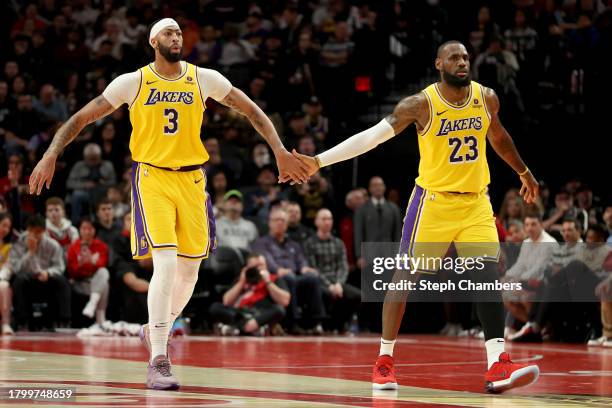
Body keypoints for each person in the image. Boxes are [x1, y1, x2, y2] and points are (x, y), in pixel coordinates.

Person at [28, 18, 308, 390]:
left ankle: (154, 328)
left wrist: (279, 151)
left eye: (178, 32)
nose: (175, 37)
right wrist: (50, 154)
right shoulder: (134, 82)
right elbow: (81, 118)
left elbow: (252, 110)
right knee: (165, 260)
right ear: (152, 41)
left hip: (193, 179)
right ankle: (159, 357)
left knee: (190, 271)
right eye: (168, 32)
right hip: (153, 178)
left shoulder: (202, 78)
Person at [292, 41, 540, 393]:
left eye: (466, 57)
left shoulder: (486, 97)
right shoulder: (421, 104)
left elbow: (497, 136)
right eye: (454, 57)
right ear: (439, 63)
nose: (462, 62)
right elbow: (372, 138)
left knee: (486, 276)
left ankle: (497, 364)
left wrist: (524, 171)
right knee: (404, 277)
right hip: (433, 203)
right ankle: (384, 360)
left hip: (475, 202)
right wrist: (318, 161)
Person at [9, 215, 70, 330]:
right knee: (19, 280)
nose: (33, 235)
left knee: (61, 280)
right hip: (27, 279)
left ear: (44, 231)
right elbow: (16, 268)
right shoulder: (19, 243)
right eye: (30, 231)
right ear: (27, 230)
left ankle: (63, 320)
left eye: (37, 232)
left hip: (46, 279)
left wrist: (48, 273)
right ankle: (23, 321)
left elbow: (60, 267)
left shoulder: (53, 245)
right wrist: (30, 253)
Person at [304, 208, 361, 332]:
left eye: (329, 219)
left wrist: (338, 284)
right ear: (316, 222)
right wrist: (329, 285)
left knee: (358, 295)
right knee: (323, 292)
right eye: (324, 219)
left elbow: (343, 267)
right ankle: (324, 324)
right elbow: (314, 268)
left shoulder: (338, 243)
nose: (327, 222)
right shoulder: (310, 243)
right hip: (320, 282)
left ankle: (339, 324)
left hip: (337, 282)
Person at [209, 253, 290, 335]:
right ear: (247, 267)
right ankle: (253, 329)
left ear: (266, 266)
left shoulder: (274, 279)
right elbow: (226, 301)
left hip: (260, 314)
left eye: (261, 265)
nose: (258, 269)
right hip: (240, 314)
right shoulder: (242, 279)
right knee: (215, 307)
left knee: (279, 309)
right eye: (255, 267)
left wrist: (268, 282)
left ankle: (236, 329)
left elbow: (285, 301)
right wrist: (241, 282)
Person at [66, 217, 110, 326]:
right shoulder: (73, 247)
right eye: (84, 228)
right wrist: (84, 264)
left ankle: (92, 303)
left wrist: (92, 262)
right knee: (104, 284)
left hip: (95, 280)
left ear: (94, 230)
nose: (87, 231)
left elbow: (102, 264)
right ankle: (101, 319)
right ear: (79, 230)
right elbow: (72, 271)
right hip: (80, 282)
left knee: (104, 273)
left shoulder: (101, 246)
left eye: (90, 229)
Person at [0, 213, 14, 335]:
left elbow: (9, 266)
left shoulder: (9, 247)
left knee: (4, 286)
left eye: (8, 227)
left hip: (0, 279)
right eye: (3, 225)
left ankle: (5, 323)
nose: (5, 229)